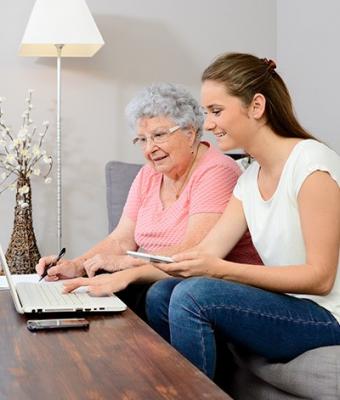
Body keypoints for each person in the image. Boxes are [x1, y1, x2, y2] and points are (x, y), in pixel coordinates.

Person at [142, 53, 340, 380]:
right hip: (285, 304)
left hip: (327, 316)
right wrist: (150, 265)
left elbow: (320, 278)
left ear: (257, 106)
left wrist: (220, 271)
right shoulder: (248, 178)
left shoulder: (311, 164)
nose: (207, 124)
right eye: (206, 113)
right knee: (163, 293)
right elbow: (208, 252)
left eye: (216, 111)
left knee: (194, 295)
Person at [37, 82, 261, 315]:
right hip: (156, 277)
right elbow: (120, 241)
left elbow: (192, 251)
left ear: (190, 132)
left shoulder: (216, 171)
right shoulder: (148, 174)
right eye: (142, 139)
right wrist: (76, 265)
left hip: (213, 287)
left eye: (159, 135)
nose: (149, 149)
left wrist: (126, 265)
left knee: (144, 291)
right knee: (90, 288)